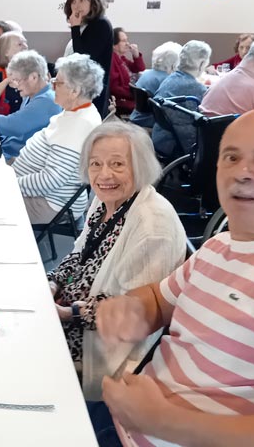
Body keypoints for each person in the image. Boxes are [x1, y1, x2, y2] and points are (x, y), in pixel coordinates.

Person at [91, 109, 254, 447]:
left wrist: (165, 421)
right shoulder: (222, 245)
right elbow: (159, 299)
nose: (242, 172)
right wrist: (133, 309)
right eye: (231, 156)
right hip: (128, 416)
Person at [47, 121, 185, 399]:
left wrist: (67, 313)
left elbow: (135, 313)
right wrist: (52, 283)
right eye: (95, 164)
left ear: (141, 166)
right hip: (71, 315)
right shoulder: (104, 200)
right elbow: (78, 254)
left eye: (118, 164)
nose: (104, 174)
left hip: (101, 348)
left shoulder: (152, 226)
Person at [13, 54, 104, 224]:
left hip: (49, 203)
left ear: (75, 91)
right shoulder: (76, 112)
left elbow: (51, 179)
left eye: (58, 83)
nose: (52, 86)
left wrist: (9, 182)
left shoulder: (79, 124)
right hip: (43, 195)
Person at [151, 41, 211, 158]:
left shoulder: (170, 79)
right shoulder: (196, 88)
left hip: (161, 138)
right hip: (179, 145)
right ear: (201, 64)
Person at [63, 0, 114, 117]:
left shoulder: (101, 24)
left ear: (93, 1)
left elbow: (82, 57)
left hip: (92, 92)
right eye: (73, 1)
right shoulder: (86, 25)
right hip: (81, 88)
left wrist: (74, 28)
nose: (77, 5)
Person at [129, 42, 181, 128]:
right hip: (150, 120)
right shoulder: (167, 80)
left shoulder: (146, 74)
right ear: (174, 64)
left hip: (137, 116)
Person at [109, 28, 146, 116]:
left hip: (130, 96)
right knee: (147, 106)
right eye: (124, 41)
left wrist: (136, 55)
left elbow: (139, 68)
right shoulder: (112, 60)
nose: (128, 44)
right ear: (114, 45)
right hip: (122, 101)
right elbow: (115, 88)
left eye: (127, 40)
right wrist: (135, 95)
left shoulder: (121, 58)